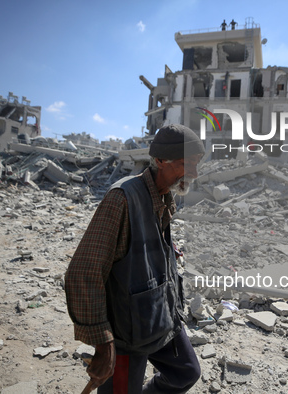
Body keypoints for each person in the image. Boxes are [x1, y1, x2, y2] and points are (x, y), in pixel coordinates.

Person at [65, 124, 205, 393]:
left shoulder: (165, 197)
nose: (195, 173)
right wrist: (104, 343)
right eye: (187, 164)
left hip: (161, 321)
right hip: (126, 335)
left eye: (197, 164)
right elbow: (83, 273)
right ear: (161, 161)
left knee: (185, 372)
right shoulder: (122, 199)